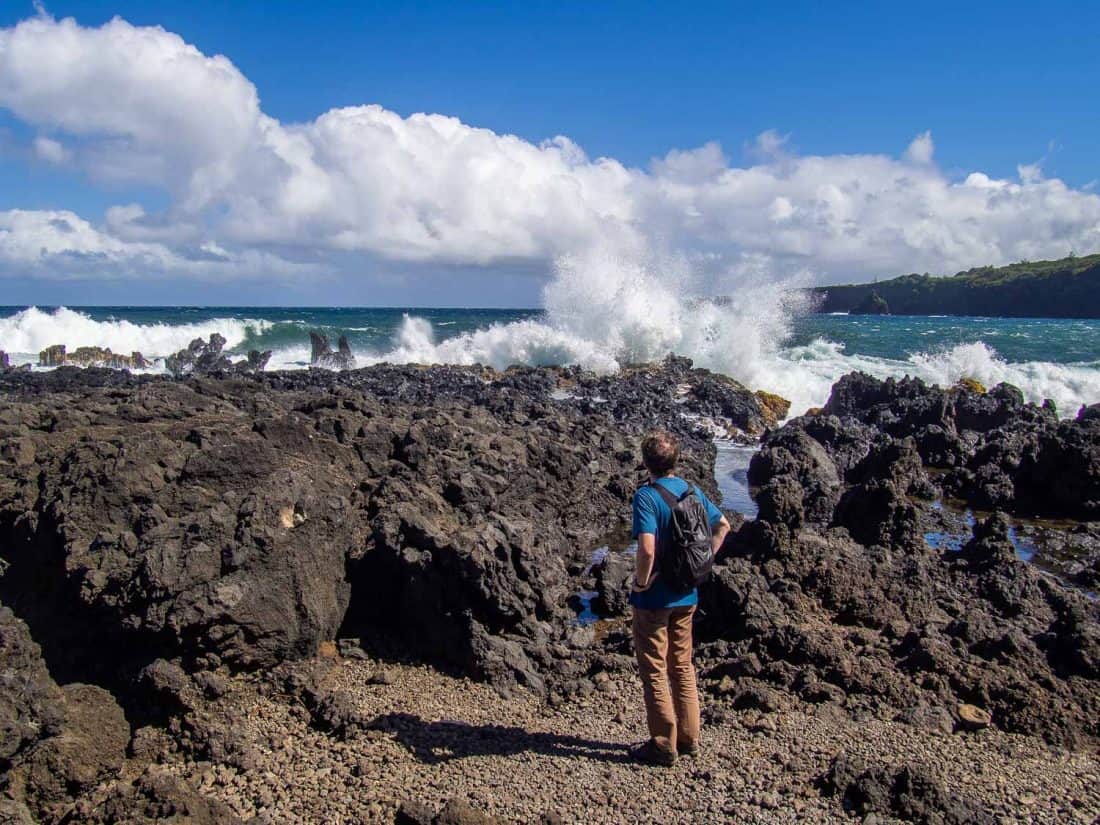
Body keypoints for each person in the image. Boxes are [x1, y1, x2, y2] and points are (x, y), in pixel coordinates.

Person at [629, 430, 730, 766]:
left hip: (654, 599)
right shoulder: (691, 490)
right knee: (682, 666)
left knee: (655, 669)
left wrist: (642, 582)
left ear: (646, 463)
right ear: (676, 460)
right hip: (687, 594)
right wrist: (704, 564)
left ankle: (662, 745)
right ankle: (689, 739)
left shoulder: (646, 496)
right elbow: (724, 525)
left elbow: (646, 547)